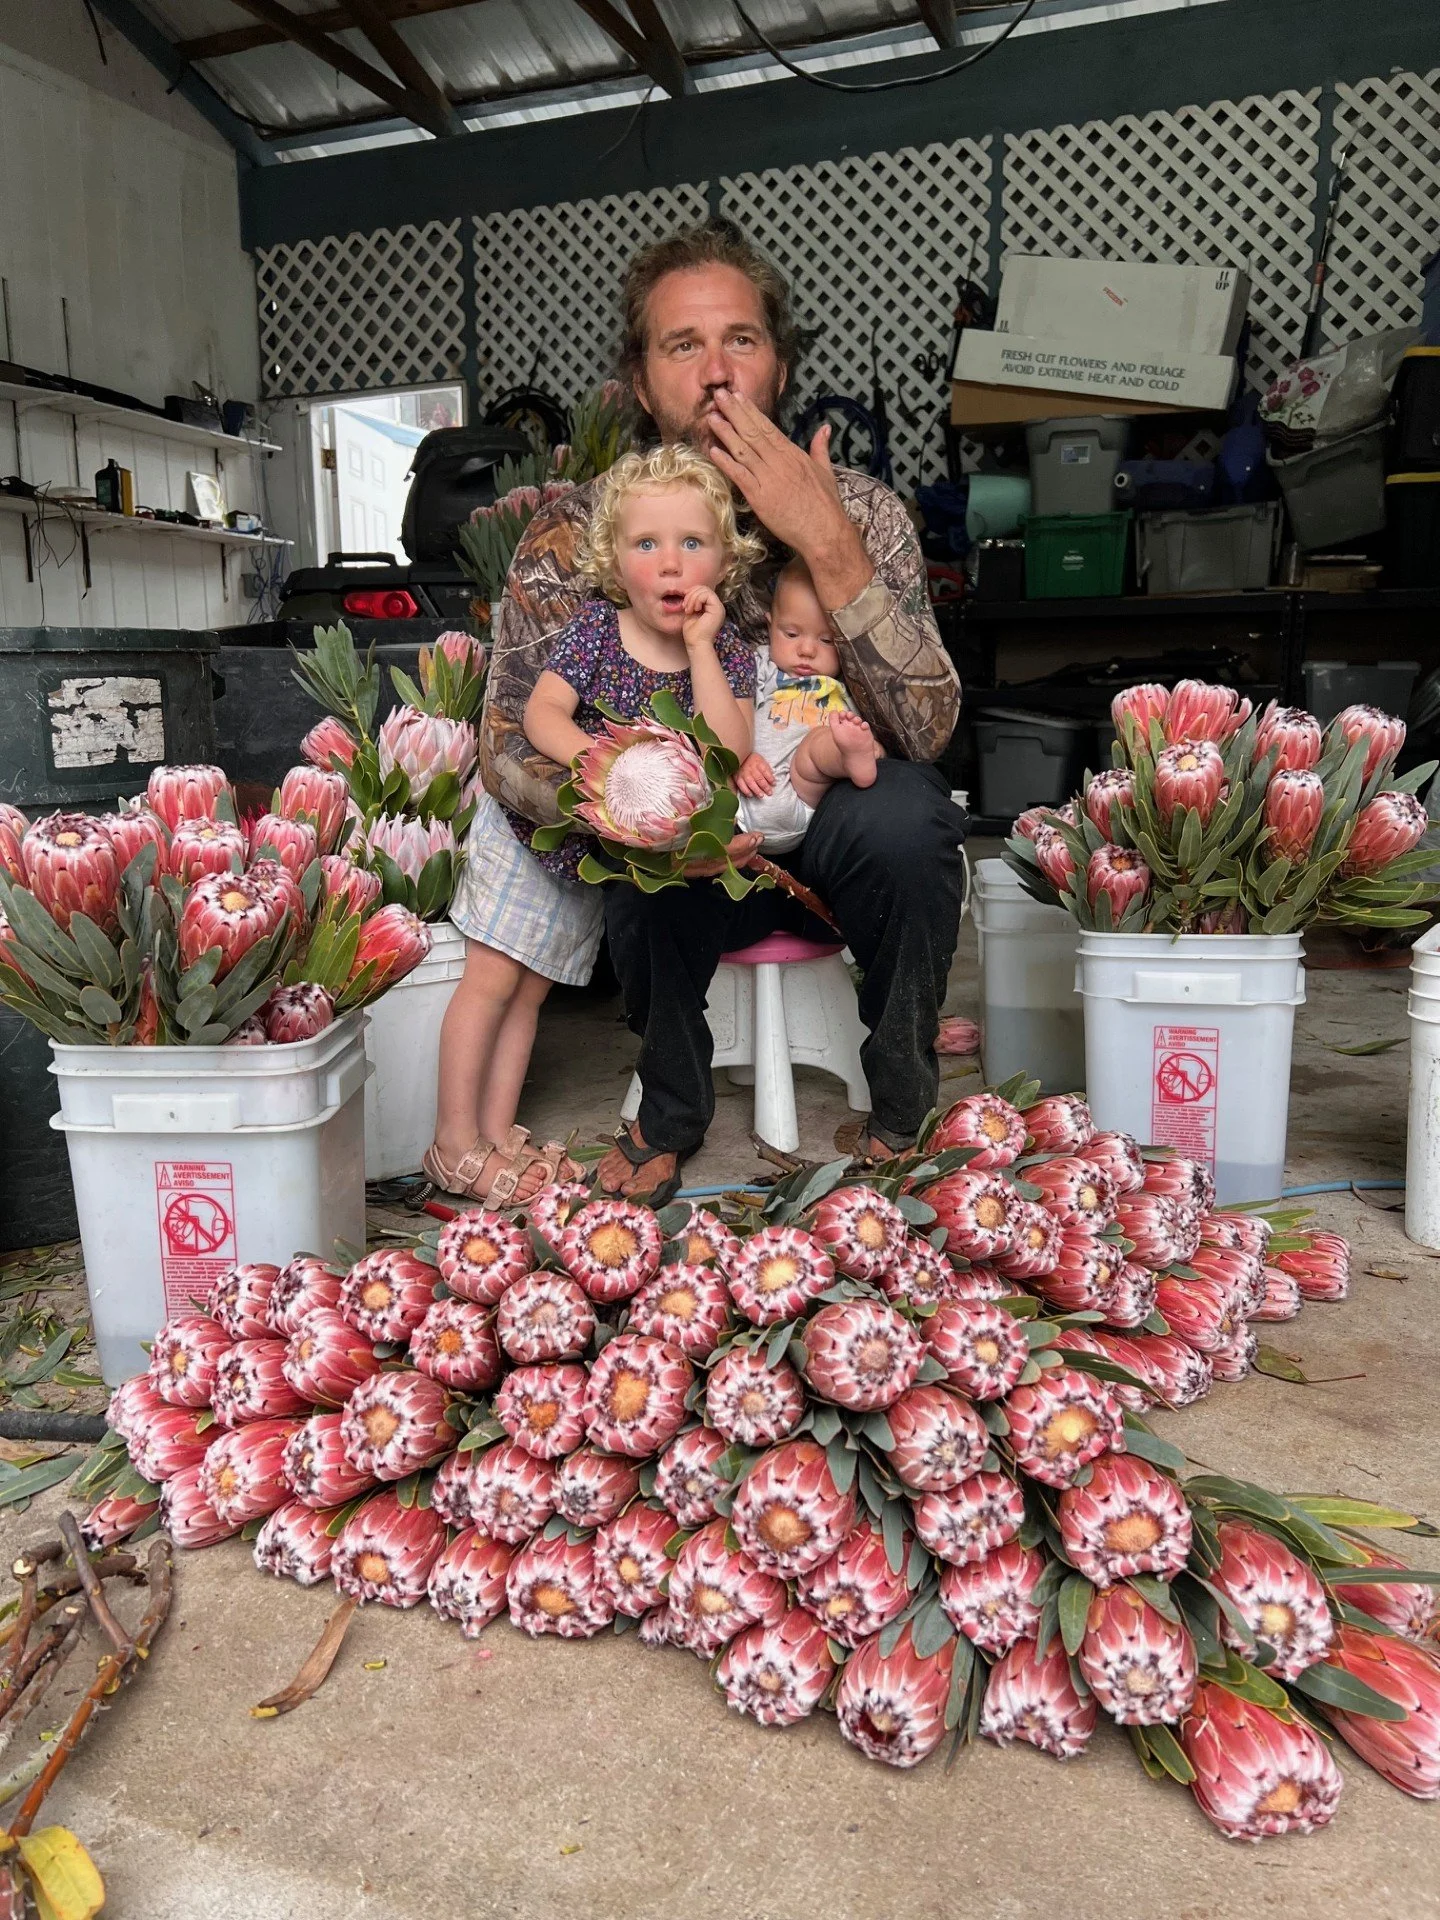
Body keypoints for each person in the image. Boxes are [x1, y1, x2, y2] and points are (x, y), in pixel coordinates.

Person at [480, 218, 965, 1203]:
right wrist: (627, 810)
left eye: (740, 339)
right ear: (640, 378)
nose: (715, 372)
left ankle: (905, 1101)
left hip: (829, 800)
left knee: (915, 822)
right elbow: (506, 737)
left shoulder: (860, 508)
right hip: (679, 818)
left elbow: (929, 728)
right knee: (640, 875)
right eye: (682, 345)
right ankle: (672, 1110)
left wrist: (825, 543)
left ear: (778, 365)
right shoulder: (577, 531)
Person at [428, 443, 761, 1205]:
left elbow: (729, 746)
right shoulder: (597, 629)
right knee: (490, 982)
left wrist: (703, 649)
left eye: (692, 543)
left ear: (724, 559)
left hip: (598, 852)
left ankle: (494, 1132)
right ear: (615, 558)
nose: (670, 565)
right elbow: (539, 714)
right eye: (647, 544)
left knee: (532, 991)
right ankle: (452, 1143)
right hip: (531, 836)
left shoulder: (727, 649)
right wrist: (604, 765)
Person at [733, 554, 884, 854]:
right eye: (791, 634)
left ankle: (855, 757)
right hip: (742, 800)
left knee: (819, 746)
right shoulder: (759, 664)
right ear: (770, 625)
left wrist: (874, 747)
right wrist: (738, 758)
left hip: (805, 798)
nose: (806, 650)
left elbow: (865, 719)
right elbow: (735, 709)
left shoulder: (841, 685)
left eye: (827, 641)